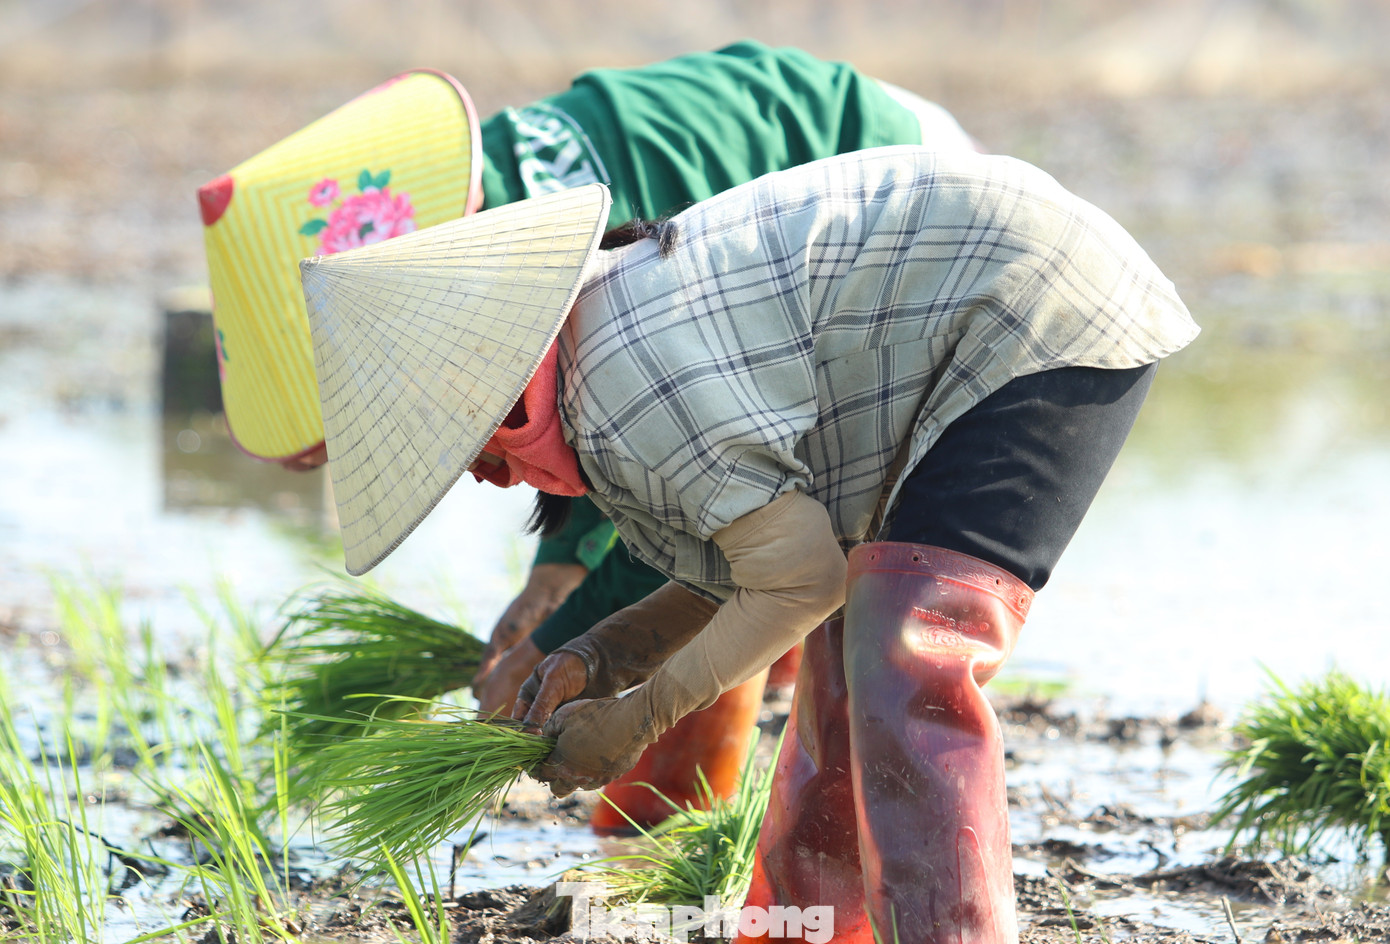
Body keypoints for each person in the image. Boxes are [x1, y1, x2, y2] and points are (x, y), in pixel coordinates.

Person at [299, 145, 1198, 943]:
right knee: (849, 672)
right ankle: (813, 933)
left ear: (485, 396)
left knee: (908, 656)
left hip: (1029, 307)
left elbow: (798, 582)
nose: (472, 474)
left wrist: (635, 721)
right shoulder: (586, 357)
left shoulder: (624, 389)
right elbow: (752, 563)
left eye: (450, 445)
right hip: (955, 323)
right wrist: (601, 654)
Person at [198, 40, 980, 833]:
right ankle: (669, 827)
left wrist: (559, 643)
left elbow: (661, 465)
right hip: (794, 267)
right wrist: (557, 573)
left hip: (900, 199)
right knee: (751, 563)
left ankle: (724, 831)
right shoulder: (482, 212)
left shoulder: (542, 246)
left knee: (801, 573)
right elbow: (585, 435)